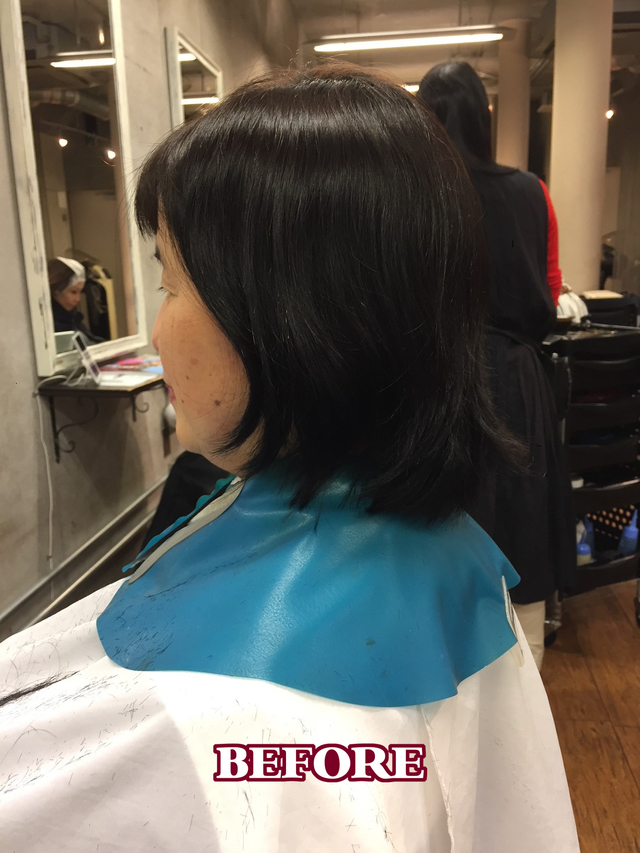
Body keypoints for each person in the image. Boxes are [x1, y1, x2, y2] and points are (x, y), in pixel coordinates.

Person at [0, 66, 579, 852]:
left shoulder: (234, 724)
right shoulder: (449, 559)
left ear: (294, 320)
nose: (158, 331)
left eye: (170, 283)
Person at [417, 61, 576, 670]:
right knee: (521, 527)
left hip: (439, 375)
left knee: (440, 533)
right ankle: (523, 675)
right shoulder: (532, 191)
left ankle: (445, 677)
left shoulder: (415, 193)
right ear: (482, 117)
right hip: (515, 376)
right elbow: (551, 288)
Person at [48, 256, 103, 343]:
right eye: (73, 292)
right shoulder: (51, 326)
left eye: (80, 292)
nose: (78, 299)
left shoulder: (71, 318)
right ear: (56, 290)